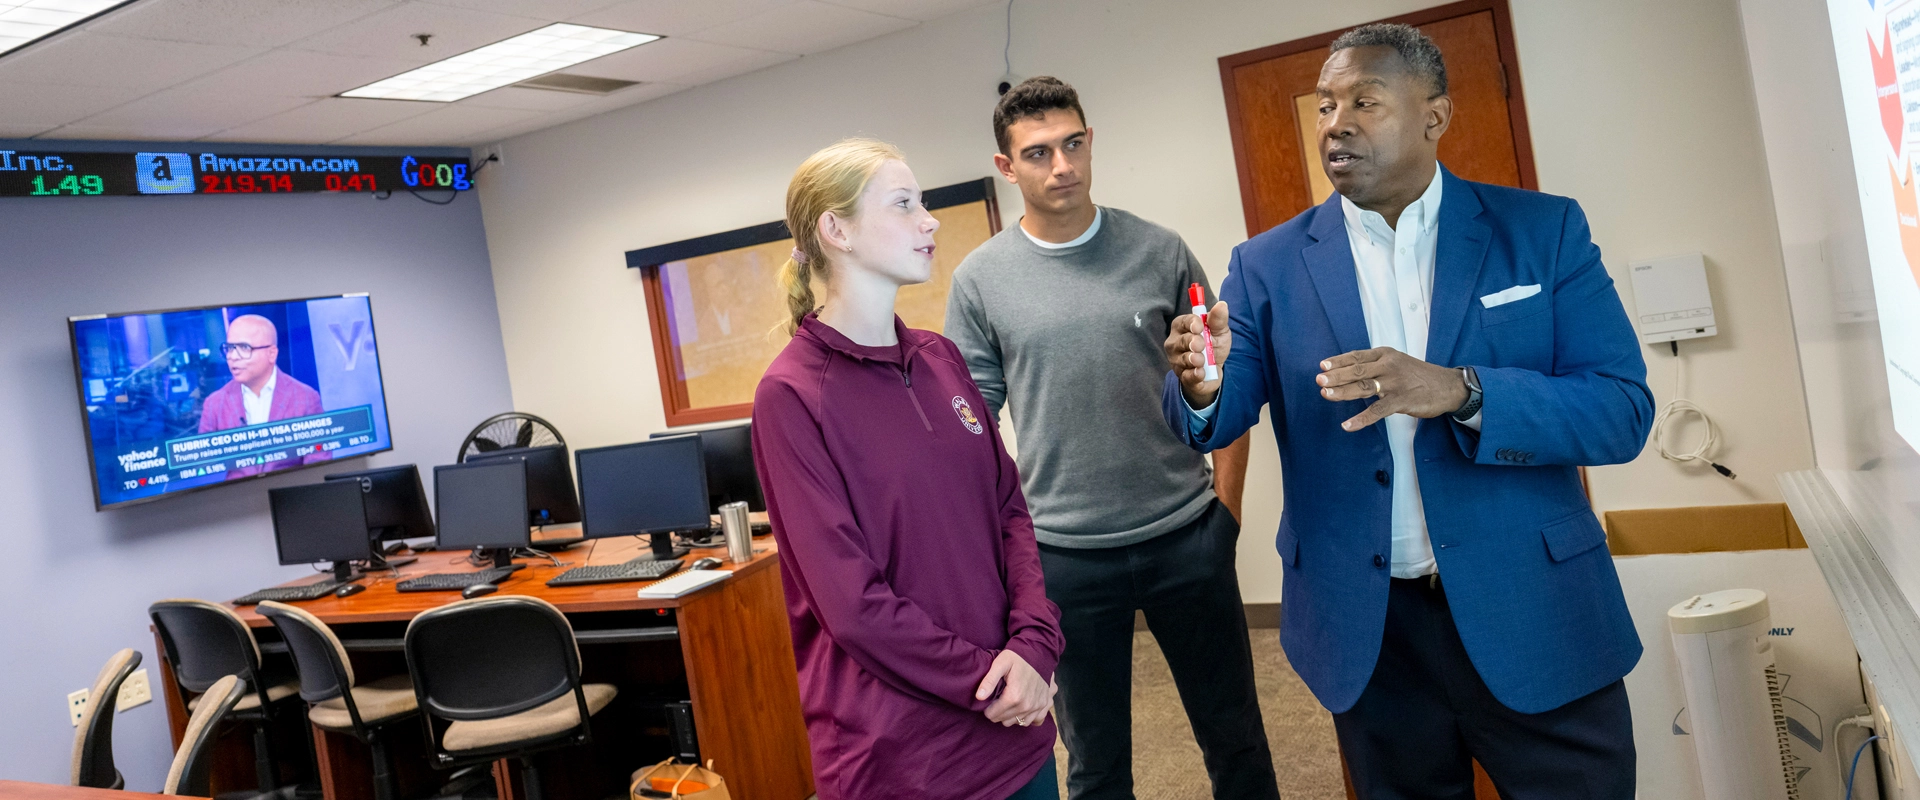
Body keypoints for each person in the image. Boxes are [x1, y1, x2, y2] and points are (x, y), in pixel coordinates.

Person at [1163, 24, 1652, 799]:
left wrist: (1464, 391)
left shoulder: (1543, 232)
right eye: (1325, 105)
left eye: (1366, 100)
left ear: (1435, 116)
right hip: (1370, 634)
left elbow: (1621, 411)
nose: (1336, 122)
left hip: (1536, 612)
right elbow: (1220, 411)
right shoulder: (1266, 264)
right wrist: (1199, 382)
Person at [946, 77, 1279, 800]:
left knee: (1235, 735)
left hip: (1186, 536)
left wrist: (1227, 512)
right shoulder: (979, 282)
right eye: (1037, 153)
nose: (1061, 165)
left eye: (1072, 144)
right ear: (1008, 168)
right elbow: (969, 430)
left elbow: (1222, 387)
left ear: (1090, 142)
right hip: (1064, 557)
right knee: (1094, 762)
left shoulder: (1160, 251)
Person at [751, 138, 1065, 800]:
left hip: (1015, 726)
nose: (930, 220)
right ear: (835, 231)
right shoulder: (792, 394)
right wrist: (992, 677)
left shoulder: (941, 358)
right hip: (906, 758)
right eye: (904, 204)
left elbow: (1010, 510)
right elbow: (854, 607)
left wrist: (1034, 648)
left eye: (923, 203)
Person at [199, 314, 327, 477]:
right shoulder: (215, 403)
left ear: (271, 354)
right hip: (234, 498)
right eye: (230, 348)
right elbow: (203, 468)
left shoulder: (306, 398)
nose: (233, 357)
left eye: (244, 348)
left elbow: (318, 462)